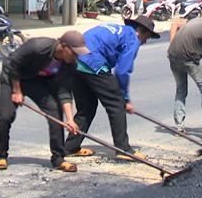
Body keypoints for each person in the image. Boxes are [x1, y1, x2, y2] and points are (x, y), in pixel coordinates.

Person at [64, 16, 160, 159]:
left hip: (74, 62)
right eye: (146, 37)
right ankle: (123, 149)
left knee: (87, 107)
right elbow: (122, 71)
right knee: (116, 104)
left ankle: (70, 147)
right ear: (141, 31)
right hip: (92, 62)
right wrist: (125, 98)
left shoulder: (117, 29)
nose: (145, 42)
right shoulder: (132, 38)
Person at [0, 31, 89, 172]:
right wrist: (17, 91)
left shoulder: (69, 64)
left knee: (55, 112)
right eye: (74, 52)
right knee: (5, 115)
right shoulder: (38, 46)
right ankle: (1, 155)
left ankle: (58, 158)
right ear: (64, 47)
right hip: (12, 79)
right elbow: (12, 64)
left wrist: (70, 119)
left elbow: (64, 91)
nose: (76, 56)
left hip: (34, 81)